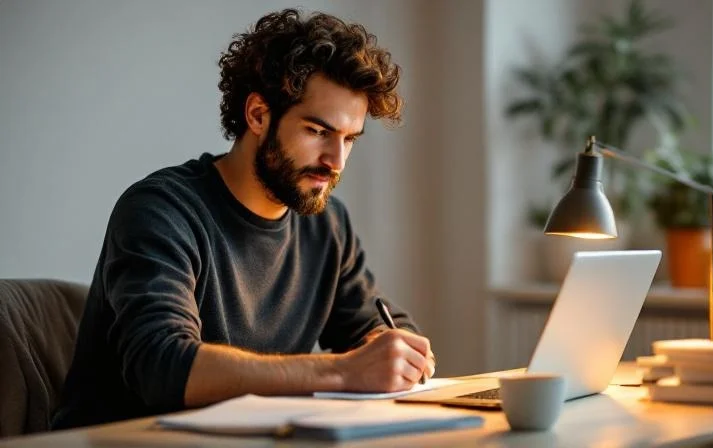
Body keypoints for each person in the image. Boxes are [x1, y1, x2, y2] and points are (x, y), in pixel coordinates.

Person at [52, 8, 435, 430]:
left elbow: (375, 323)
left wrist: (391, 349)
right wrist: (344, 372)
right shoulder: (161, 210)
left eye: (349, 139)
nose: (336, 161)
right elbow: (162, 367)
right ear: (257, 115)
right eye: (317, 131)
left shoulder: (327, 225)